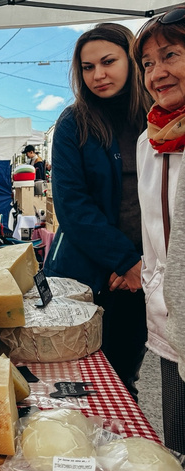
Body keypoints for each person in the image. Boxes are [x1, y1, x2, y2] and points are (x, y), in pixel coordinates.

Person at [43, 23, 151, 398]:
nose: (98, 75)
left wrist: (142, 265)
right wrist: (126, 261)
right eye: (88, 67)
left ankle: (120, 454)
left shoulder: (157, 116)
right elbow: (73, 207)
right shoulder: (74, 123)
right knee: (69, 383)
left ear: (132, 61)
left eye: (108, 62)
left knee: (121, 379)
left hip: (140, 276)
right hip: (81, 276)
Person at [133, 7, 185, 452]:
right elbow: (154, 236)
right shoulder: (148, 140)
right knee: (180, 446)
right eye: (148, 63)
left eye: (170, 55)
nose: (157, 73)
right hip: (168, 321)